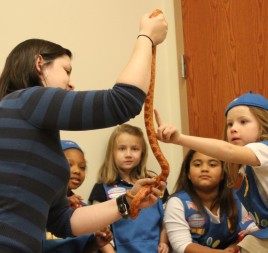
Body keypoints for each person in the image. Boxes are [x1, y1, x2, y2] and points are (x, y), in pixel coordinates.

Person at [0, 11, 167, 253]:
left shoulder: (33, 128)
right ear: (39, 65)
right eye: (66, 70)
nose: (71, 84)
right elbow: (123, 101)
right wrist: (147, 36)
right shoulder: (29, 100)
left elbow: (63, 221)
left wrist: (129, 200)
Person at [155, 92, 268, 253]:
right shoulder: (254, 164)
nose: (233, 129)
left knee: (249, 246)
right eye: (230, 124)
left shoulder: (265, 149)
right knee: (250, 243)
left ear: (265, 125)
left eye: (243, 122)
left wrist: (179, 139)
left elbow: (228, 151)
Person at [88, 124, 170, 253]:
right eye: (121, 149)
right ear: (112, 153)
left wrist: (164, 242)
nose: (128, 154)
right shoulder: (102, 187)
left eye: (135, 149)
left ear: (142, 153)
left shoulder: (156, 184)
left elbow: (168, 218)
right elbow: (98, 228)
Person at [164, 149, 257, 253]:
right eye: (197, 164)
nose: (204, 169)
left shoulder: (238, 198)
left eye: (212, 165)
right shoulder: (176, 202)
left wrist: (234, 247)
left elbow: (252, 230)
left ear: (223, 173)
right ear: (188, 174)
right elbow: (182, 246)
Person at [43, 140, 114, 253]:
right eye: (69, 164)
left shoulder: (84, 211)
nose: (77, 171)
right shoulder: (39, 204)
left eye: (82, 167)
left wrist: (96, 243)